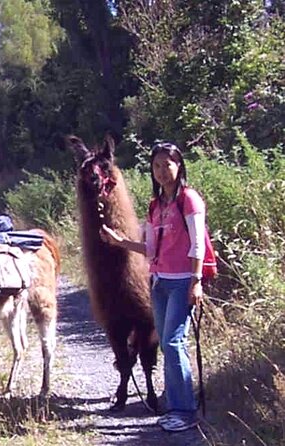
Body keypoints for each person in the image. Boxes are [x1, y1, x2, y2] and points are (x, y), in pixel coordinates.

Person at [100, 142, 204, 432]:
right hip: (159, 283)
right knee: (165, 345)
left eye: (167, 165)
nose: (162, 172)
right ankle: (175, 403)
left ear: (178, 166)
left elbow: (197, 245)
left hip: (182, 281)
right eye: (156, 166)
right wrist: (119, 241)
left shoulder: (189, 200)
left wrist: (195, 282)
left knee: (172, 342)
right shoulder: (156, 206)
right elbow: (149, 247)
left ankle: (185, 411)